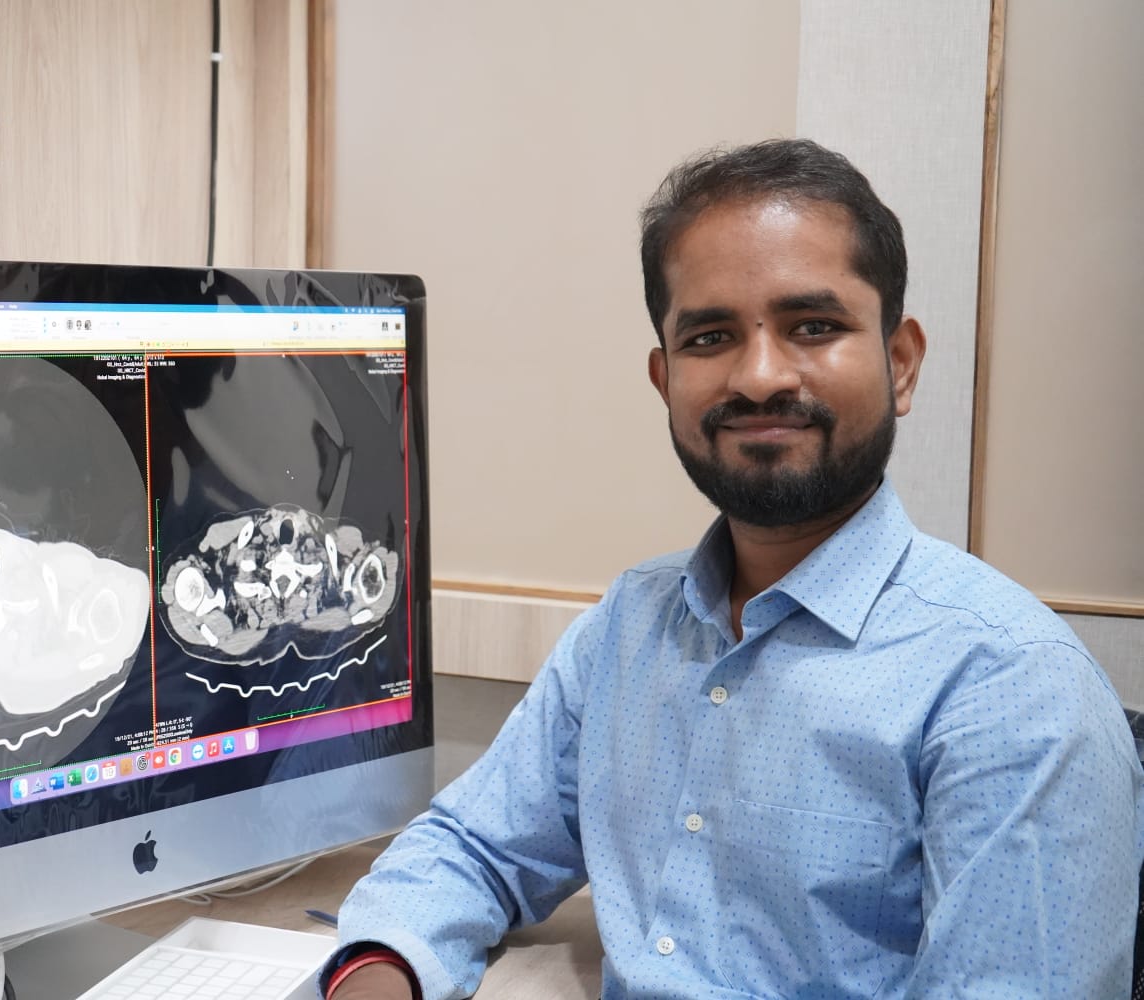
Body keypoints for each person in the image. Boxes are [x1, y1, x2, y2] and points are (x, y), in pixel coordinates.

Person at [319, 138, 1144, 999]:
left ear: (900, 363)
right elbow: (472, 847)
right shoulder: (629, 628)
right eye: (710, 337)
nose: (758, 377)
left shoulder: (1013, 688)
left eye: (813, 326)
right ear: (664, 379)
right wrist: (383, 969)